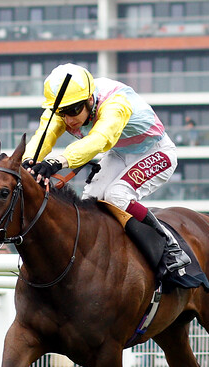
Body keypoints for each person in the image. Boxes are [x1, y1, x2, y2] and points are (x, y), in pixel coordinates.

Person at [22, 63, 190, 273]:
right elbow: (43, 135)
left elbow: (99, 140)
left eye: (73, 111)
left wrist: (56, 162)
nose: (68, 120)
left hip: (156, 152)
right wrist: (29, 160)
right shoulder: (67, 104)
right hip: (119, 153)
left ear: (90, 100)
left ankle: (170, 246)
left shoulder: (116, 104)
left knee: (116, 195)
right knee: (89, 200)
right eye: (61, 113)